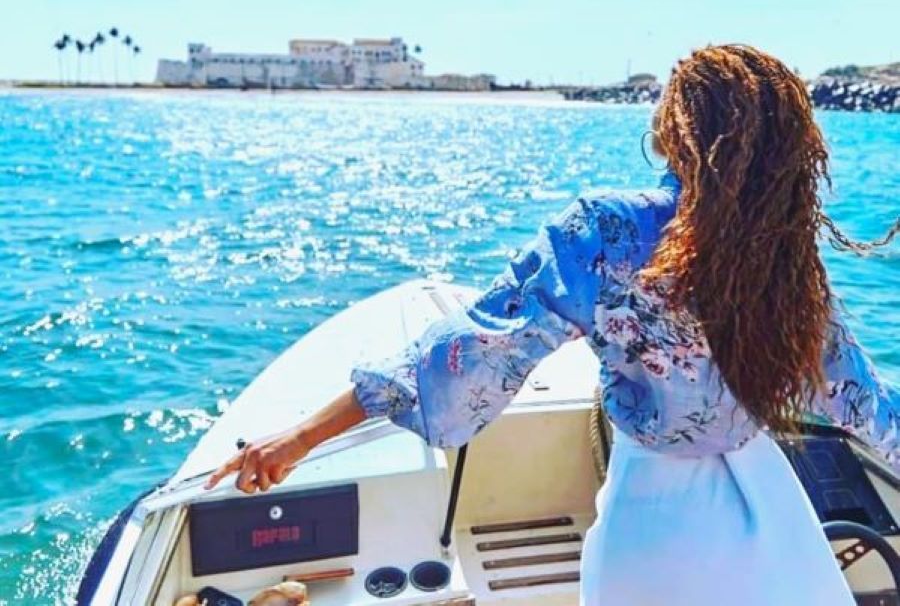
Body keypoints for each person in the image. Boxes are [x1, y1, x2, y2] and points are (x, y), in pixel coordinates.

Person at [206, 45, 900, 605]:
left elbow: (468, 354)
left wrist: (300, 438)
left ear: (676, 130)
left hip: (650, 530)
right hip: (775, 539)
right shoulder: (782, 260)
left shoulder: (607, 230)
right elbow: (866, 402)